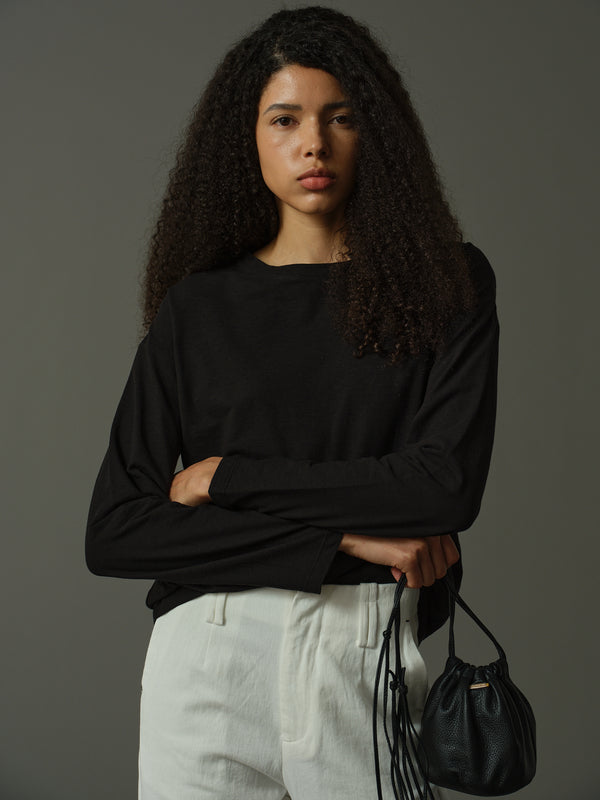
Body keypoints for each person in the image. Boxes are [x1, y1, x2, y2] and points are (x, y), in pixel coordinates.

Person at [85, 6, 499, 799]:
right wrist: (350, 533)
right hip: (205, 656)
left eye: (341, 117)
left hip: (358, 646)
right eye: (285, 119)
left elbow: (443, 484)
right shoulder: (196, 309)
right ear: (249, 139)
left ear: (374, 132)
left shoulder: (447, 285)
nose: (313, 143)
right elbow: (116, 531)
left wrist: (227, 478)